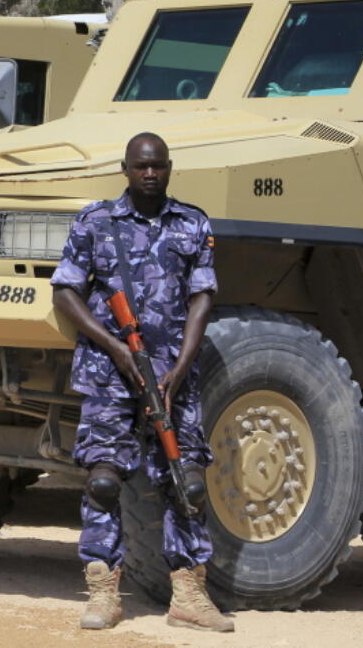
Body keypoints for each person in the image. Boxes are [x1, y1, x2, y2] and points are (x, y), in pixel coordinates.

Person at [51, 133, 233, 632]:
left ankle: (189, 597)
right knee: (105, 481)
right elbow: (65, 292)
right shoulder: (96, 222)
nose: (149, 174)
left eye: (157, 166)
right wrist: (114, 348)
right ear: (125, 169)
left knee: (187, 481)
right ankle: (103, 593)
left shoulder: (192, 222)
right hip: (111, 373)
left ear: (169, 168)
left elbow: (202, 297)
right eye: (139, 166)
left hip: (173, 374)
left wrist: (181, 363)